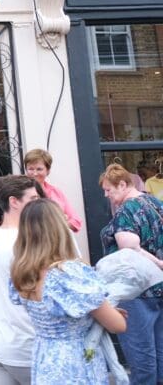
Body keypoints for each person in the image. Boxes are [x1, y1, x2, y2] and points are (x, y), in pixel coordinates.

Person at [10, 199, 126, 384]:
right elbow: (117, 325)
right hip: (77, 361)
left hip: (45, 357)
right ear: (59, 229)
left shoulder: (22, 271)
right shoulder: (69, 274)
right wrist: (109, 313)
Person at [99, 163, 163, 385]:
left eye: (109, 189)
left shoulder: (126, 210)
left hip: (135, 291)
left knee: (141, 356)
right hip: (158, 289)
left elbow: (128, 247)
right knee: (160, 352)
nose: (106, 195)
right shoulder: (155, 202)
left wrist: (158, 264)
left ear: (123, 184)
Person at [0, 175, 40, 385]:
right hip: (27, 345)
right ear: (14, 201)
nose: (38, 205)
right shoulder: (24, 241)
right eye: (32, 200)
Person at [23, 149, 81, 232]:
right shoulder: (21, 192)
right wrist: (59, 219)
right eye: (31, 169)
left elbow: (76, 222)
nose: (35, 173)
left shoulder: (56, 192)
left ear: (48, 171)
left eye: (39, 169)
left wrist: (60, 223)